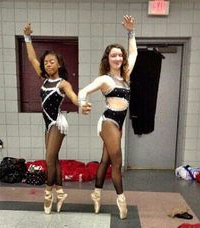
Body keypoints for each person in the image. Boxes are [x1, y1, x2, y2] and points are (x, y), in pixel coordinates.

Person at [23, 23, 90, 214]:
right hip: (47, 125)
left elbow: (74, 96)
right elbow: (31, 57)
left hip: (57, 124)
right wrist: (27, 38)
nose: (47, 64)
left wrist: (82, 104)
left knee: (49, 159)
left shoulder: (63, 83)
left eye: (51, 61)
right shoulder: (44, 79)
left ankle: (48, 194)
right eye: (46, 62)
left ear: (59, 64)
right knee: (54, 160)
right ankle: (60, 192)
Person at [78, 15, 137, 219]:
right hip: (108, 122)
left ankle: (96, 194)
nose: (118, 58)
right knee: (117, 162)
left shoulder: (126, 77)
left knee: (105, 160)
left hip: (118, 124)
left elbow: (134, 52)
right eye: (114, 55)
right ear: (107, 58)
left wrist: (131, 32)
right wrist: (82, 104)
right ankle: (121, 201)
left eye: (120, 55)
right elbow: (83, 91)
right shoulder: (104, 79)